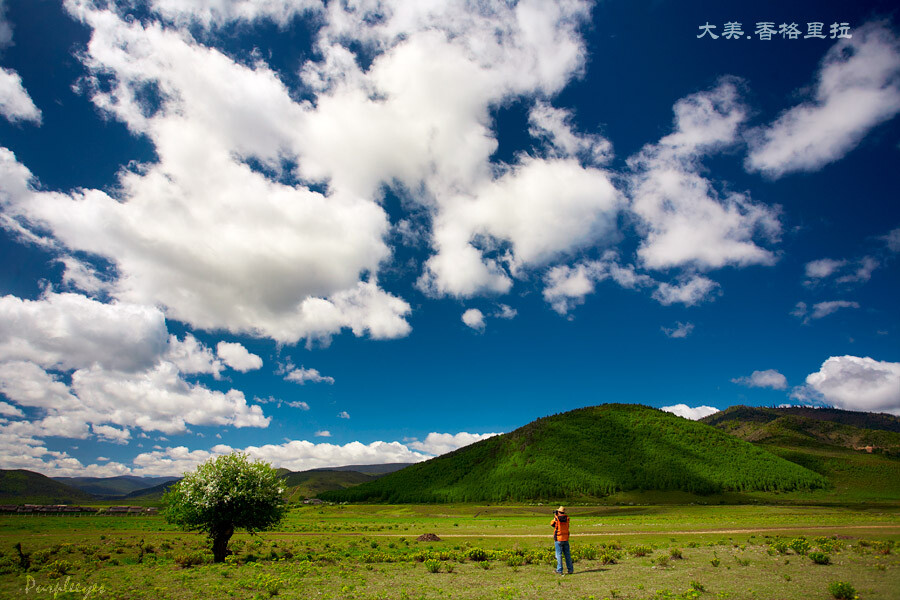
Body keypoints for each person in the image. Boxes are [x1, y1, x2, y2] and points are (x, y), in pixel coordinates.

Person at [551, 506, 573, 575]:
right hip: (565, 538)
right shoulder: (567, 518)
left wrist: (555, 517)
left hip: (558, 538)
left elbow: (552, 524)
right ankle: (570, 569)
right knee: (567, 555)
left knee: (558, 555)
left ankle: (559, 570)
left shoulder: (557, 518)